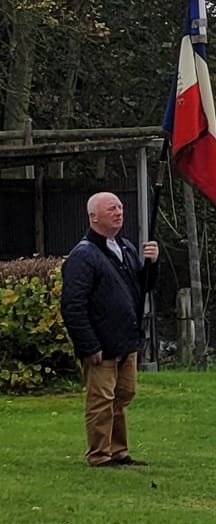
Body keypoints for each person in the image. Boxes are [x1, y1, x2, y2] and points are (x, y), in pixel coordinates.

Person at [58, 192, 160, 467]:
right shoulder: (83, 256)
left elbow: (142, 287)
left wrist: (152, 262)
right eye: (111, 208)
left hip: (125, 339)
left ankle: (118, 450)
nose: (119, 212)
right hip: (101, 343)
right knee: (101, 399)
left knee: (123, 395)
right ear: (94, 217)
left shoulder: (125, 247)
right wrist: (89, 344)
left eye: (120, 207)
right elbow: (73, 305)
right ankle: (99, 454)